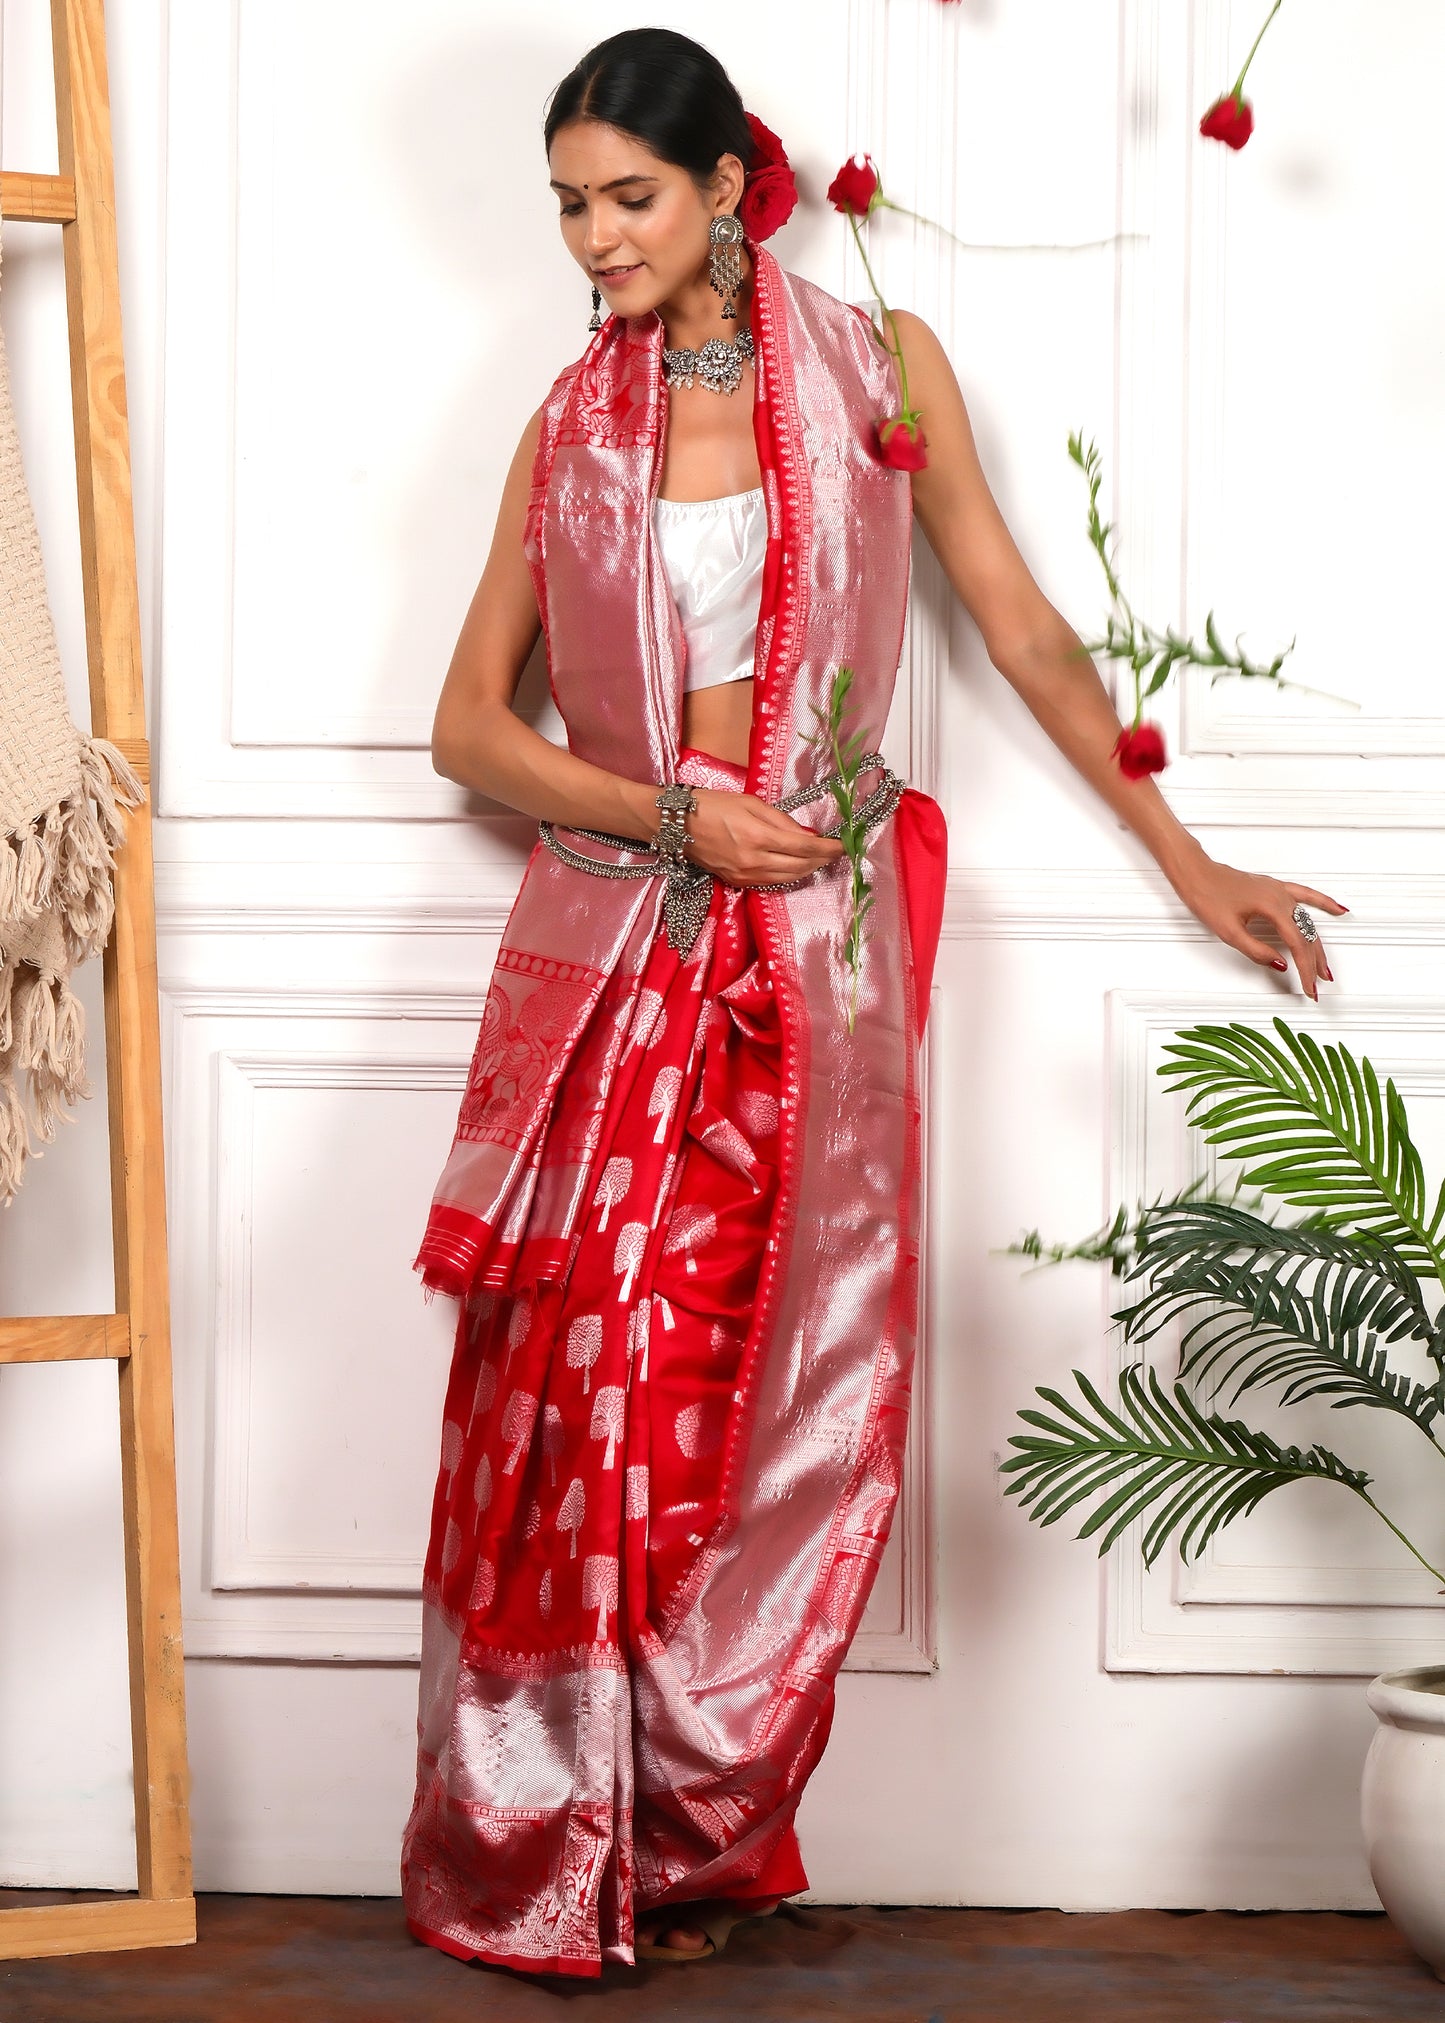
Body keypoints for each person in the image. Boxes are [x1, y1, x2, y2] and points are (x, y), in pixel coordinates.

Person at [398, 27, 1346, 1980]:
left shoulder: (879, 375)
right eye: (568, 205)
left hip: (816, 951)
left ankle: (698, 1826)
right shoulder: (567, 424)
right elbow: (464, 730)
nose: (594, 240)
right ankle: (564, 1835)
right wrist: (670, 811)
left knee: (787, 1392)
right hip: (617, 945)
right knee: (598, 1395)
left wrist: (1193, 861)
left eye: (628, 198)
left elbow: (1022, 626)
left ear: (730, 182)